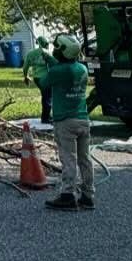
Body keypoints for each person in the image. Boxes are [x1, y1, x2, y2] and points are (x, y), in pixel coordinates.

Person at [45, 34, 95, 211]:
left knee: (68, 159)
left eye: (57, 48)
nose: (55, 50)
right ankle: (88, 195)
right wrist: (53, 62)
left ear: (62, 51)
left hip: (65, 121)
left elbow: (44, 83)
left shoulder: (56, 71)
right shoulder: (82, 68)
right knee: (85, 159)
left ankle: (67, 194)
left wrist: (48, 63)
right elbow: (66, 71)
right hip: (83, 119)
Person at [27, 36, 54, 125]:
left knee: (46, 96)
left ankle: (46, 116)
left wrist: (26, 76)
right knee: (47, 97)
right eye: (47, 44)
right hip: (45, 78)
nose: (48, 46)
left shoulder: (31, 53)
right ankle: (45, 118)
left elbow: (25, 67)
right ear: (45, 44)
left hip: (36, 78)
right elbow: (54, 63)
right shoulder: (47, 53)